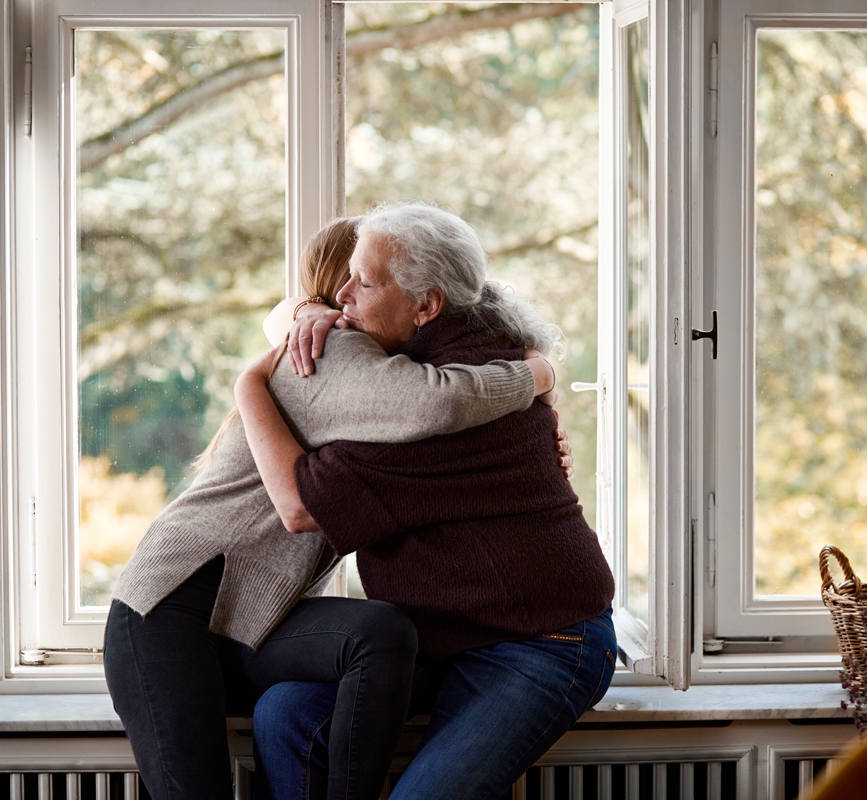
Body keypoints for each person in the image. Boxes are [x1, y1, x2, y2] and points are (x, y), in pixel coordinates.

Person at [102, 216, 561, 800]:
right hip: (167, 611)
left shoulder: (327, 341)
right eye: (352, 278)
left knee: (379, 633)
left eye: (365, 281)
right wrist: (540, 373)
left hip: (245, 618)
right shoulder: (330, 352)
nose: (351, 294)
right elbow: (435, 405)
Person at [236, 202, 617, 800]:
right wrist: (298, 312)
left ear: (427, 305)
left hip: (543, 643)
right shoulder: (428, 357)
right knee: (287, 713)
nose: (342, 298)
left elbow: (301, 508)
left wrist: (249, 382)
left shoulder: (444, 405)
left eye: (363, 282)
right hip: (438, 639)